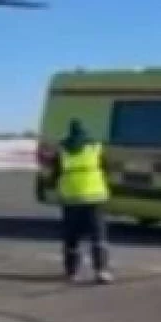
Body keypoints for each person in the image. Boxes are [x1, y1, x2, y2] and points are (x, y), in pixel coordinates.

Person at [46, 119, 113, 283]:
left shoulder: (62, 151)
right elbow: (106, 169)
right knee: (98, 235)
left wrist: (56, 187)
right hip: (95, 198)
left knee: (72, 237)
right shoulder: (95, 148)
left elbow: (55, 174)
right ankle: (101, 271)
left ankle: (72, 272)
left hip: (71, 199)